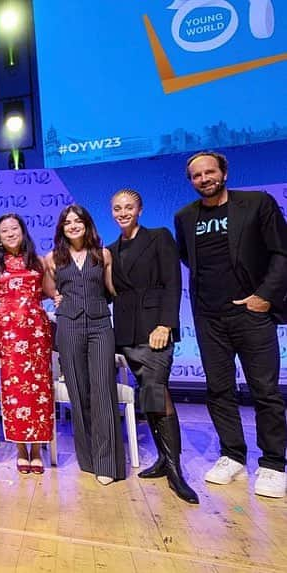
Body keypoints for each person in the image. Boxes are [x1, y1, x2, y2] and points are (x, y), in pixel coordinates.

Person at [175, 151, 287, 499]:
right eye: (196, 175)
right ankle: (233, 455)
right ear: (191, 181)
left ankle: (272, 463)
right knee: (219, 390)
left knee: (265, 391)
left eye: (210, 172)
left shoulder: (256, 204)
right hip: (208, 317)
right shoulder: (185, 216)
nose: (204, 179)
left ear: (223, 173)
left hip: (251, 313)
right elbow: (187, 258)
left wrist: (264, 296)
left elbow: (282, 253)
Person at [109, 189, 198, 504]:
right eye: (117, 208)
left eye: (128, 207)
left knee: (157, 392)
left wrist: (166, 324)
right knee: (150, 394)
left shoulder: (159, 237)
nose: (123, 212)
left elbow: (173, 282)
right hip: (127, 334)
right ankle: (164, 459)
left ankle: (175, 471)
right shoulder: (111, 249)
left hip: (155, 331)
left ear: (140, 209)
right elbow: (109, 292)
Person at [44, 204, 126, 485]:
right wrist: (56, 297)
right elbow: (48, 287)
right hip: (68, 326)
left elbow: (111, 289)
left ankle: (108, 463)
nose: (73, 226)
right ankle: (88, 459)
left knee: (103, 390)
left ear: (87, 224)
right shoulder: (53, 258)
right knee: (78, 393)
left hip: (100, 324)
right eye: (67, 223)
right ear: (61, 229)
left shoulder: (101, 254)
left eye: (78, 221)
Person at [0, 213, 53, 476]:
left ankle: (37, 449)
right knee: (14, 389)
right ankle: (20, 450)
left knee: (38, 389)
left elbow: (50, 291)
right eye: (5, 230)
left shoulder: (37, 262)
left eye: (15, 228)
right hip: (8, 334)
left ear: (23, 231)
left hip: (36, 332)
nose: (11, 233)